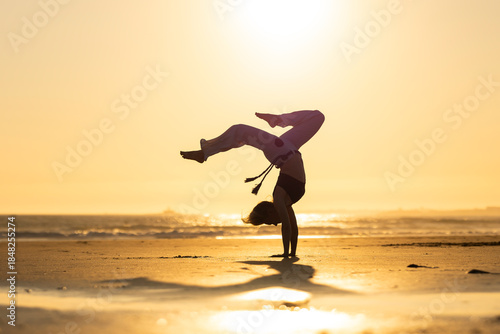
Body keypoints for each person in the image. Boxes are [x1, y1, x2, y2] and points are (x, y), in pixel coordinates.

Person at [180, 110, 325, 257]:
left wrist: (285, 254)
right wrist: (292, 253)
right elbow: (293, 227)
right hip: (289, 147)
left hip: (280, 151)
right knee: (318, 117)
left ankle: (204, 153)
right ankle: (276, 120)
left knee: (240, 130)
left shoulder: (279, 197)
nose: (275, 225)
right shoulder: (286, 202)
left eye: (269, 222)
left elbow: (287, 227)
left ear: (269, 212)